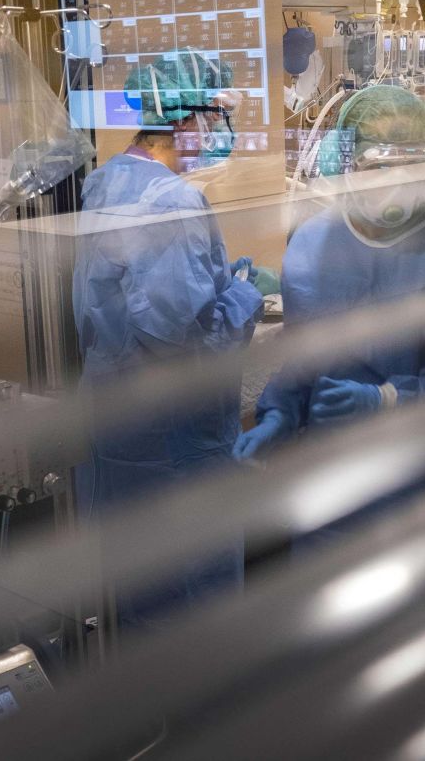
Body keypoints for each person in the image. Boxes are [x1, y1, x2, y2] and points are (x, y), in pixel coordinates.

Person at [71, 51, 271, 628]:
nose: (217, 130)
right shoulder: (176, 201)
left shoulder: (107, 178)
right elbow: (181, 341)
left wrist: (214, 276)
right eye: (213, 116)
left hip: (116, 426)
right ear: (183, 120)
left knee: (136, 597)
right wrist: (242, 296)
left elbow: (132, 293)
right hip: (175, 437)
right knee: (192, 608)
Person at [234, 85, 425, 462]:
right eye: (379, 167)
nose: (396, 183)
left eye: (412, 165)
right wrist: (281, 410)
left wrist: (385, 400)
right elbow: (306, 359)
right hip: (336, 462)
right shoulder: (312, 245)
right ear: (346, 165)